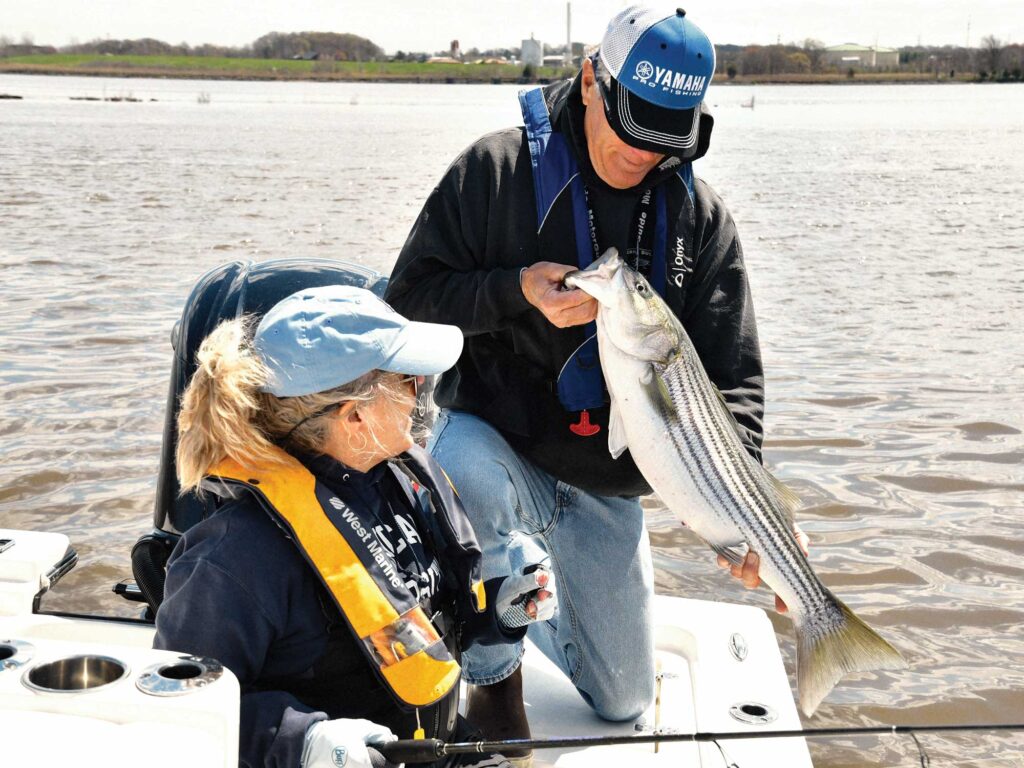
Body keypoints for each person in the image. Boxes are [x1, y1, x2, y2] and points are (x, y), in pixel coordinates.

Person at [385, 3, 807, 750]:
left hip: (606, 486)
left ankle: (516, 595)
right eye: (630, 128)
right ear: (590, 82)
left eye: (663, 141)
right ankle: (493, 674)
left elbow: (733, 386)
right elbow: (407, 303)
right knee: (463, 476)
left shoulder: (702, 222)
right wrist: (513, 290)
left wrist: (741, 515)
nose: (641, 156)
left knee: (619, 703)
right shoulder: (495, 172)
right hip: (497, 446)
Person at [153, 285, 556, 768]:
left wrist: (497, 614)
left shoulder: (400, 484)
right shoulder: (231, 558)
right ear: (355, 416)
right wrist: (303, 740)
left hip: (439, 749)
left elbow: (409, 623)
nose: (422, 391)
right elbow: (178, 708)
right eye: (408, 380)